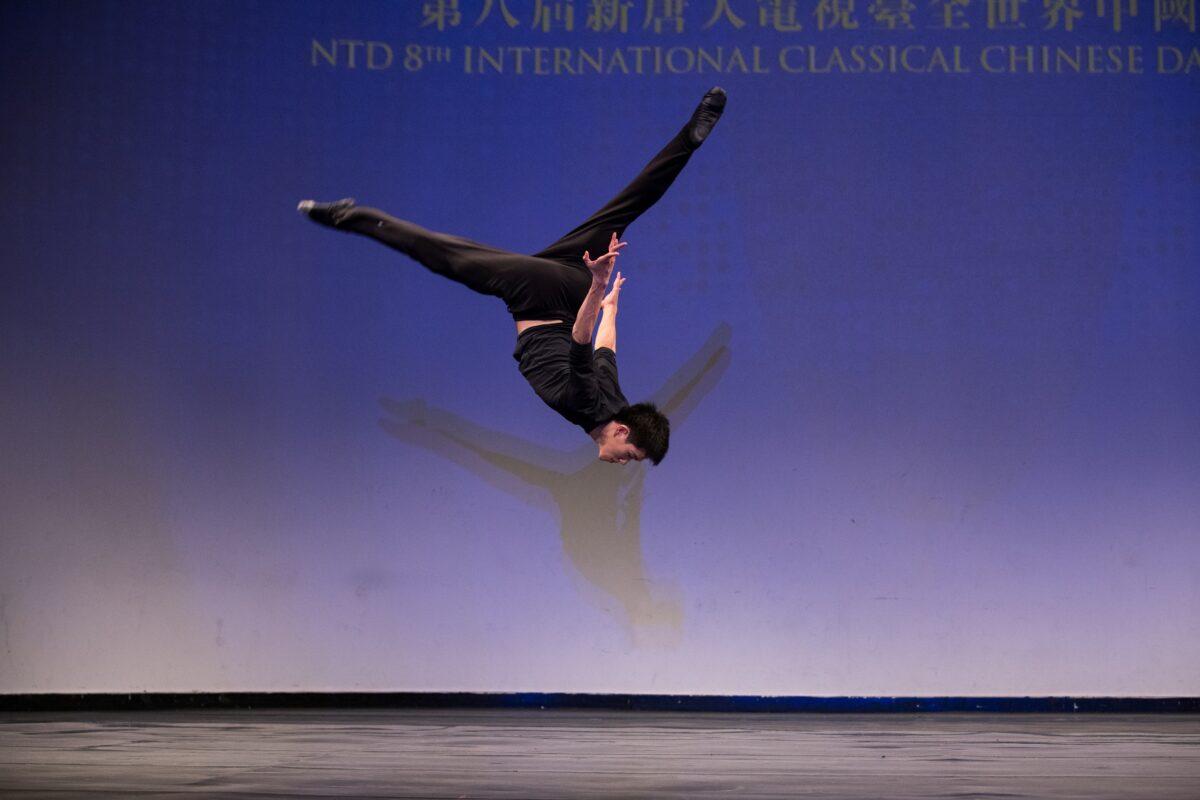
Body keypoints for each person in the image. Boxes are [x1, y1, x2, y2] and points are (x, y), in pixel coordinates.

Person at [298, 87, 727, 465]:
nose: (624, 464)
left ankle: (689, 138)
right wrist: (598, 288)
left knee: (627, 205)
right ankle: (347, 216)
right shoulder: (589, 405)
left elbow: (604, 346)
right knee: (447, 256)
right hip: (543, 298)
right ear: (621, 433)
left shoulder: (617, 404)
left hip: (570, 288)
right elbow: (581, 342)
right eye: (631, 457)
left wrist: (609, 301)